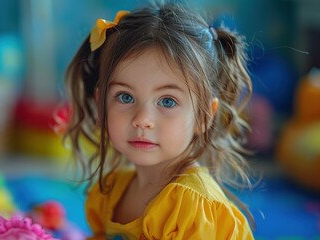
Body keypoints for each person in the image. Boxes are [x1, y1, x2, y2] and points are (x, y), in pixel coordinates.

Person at [64, 1, 255, 239]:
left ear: (204, 115)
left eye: (167, 101)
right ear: (102, 104)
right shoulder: (112, 191)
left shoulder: (191, 208)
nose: (143, 120)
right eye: (125, 97)